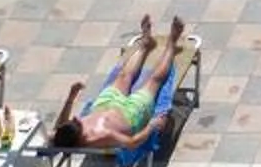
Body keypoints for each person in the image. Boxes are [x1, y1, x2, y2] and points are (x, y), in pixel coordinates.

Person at [50, 14, 184, 152]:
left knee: (123, 75)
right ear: (80, 136)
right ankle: (171, 44)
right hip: (131, 115)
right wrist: (152, 125)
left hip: (105, 104)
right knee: (154, 80)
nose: (77, 118)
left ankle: (145, 44)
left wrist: (71, 96)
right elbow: (132, 143)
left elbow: (58, 127)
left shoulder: (64, 136)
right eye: (77, 123)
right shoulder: (101, 136)